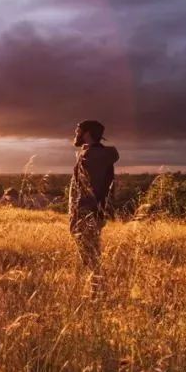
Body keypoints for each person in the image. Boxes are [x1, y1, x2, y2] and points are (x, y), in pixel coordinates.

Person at [69, 120, 119, 296]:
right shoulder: (92, 154)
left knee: (90, 253)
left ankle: (98, 291)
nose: (76, 133)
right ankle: (97, 289)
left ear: (87, 133)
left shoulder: (93, 157)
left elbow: (92, 188)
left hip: (88, 211)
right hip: (88, 211)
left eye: (78, 130)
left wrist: (84, 212)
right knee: (90, 251)